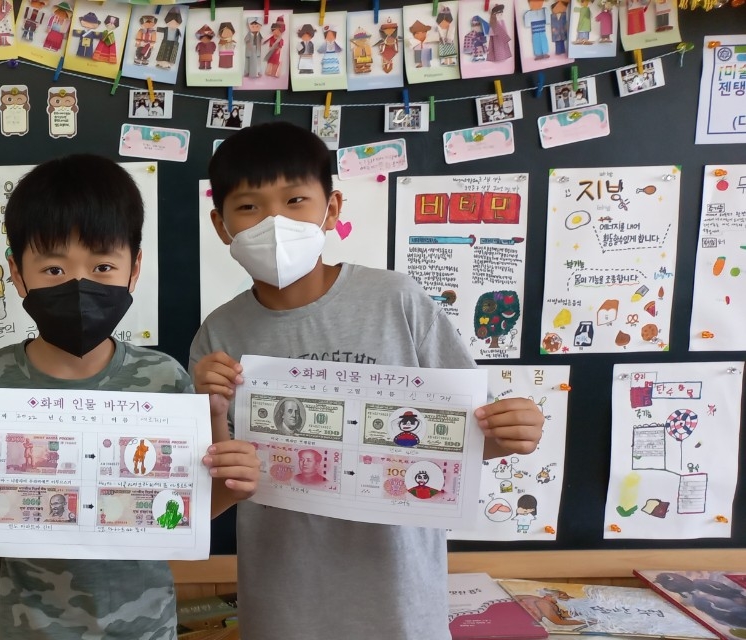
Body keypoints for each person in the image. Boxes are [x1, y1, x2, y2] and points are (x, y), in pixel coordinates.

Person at [192, 123, 544, 639]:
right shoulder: (219, 334)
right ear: (222, 226)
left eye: (295, 200)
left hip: (401, 600)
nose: (274, 222)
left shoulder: (396, 300)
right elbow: (212, 483)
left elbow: (474, 436)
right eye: (248, 207)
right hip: (283, 601)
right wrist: (210, 409)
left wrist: (513, 431)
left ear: (332, 208)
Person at [0, 154, 260, 639]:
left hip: (143, 628)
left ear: (134, 269)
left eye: (103, 266)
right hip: (25, 629)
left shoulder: (163, 379)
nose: (79, 284)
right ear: (16, 274)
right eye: (53, 268)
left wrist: (233, 480)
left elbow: (185, 510)